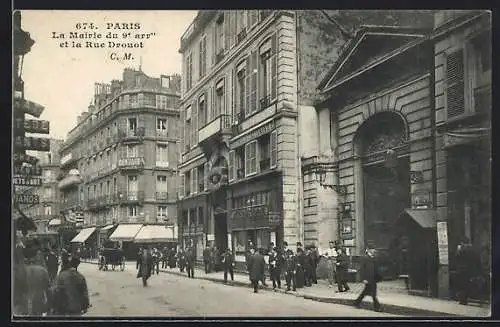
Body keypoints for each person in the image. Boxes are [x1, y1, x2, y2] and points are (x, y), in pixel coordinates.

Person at [455, 238, 482, 305]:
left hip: (462, 271)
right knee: (469, 285)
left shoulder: (461, 251)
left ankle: (463, 300)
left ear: (462, 243)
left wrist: (458, 250)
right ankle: (470, 297)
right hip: (472, 271)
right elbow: (478, 261)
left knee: (462, 286)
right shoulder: (474, 250)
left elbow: (456, 259)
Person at [353, 247, 382, 312]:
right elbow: (362, 269)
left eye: (374, 249)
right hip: (368, 279)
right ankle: (377, 307)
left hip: (373, 278)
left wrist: (378, 277)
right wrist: (364, 279)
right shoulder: (365, 258)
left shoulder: (374, 258)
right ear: (369, 250)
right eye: (372, 249)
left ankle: (356, 302)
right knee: (373, 294)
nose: (374, 250)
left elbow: (376, 268)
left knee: (365, 292)